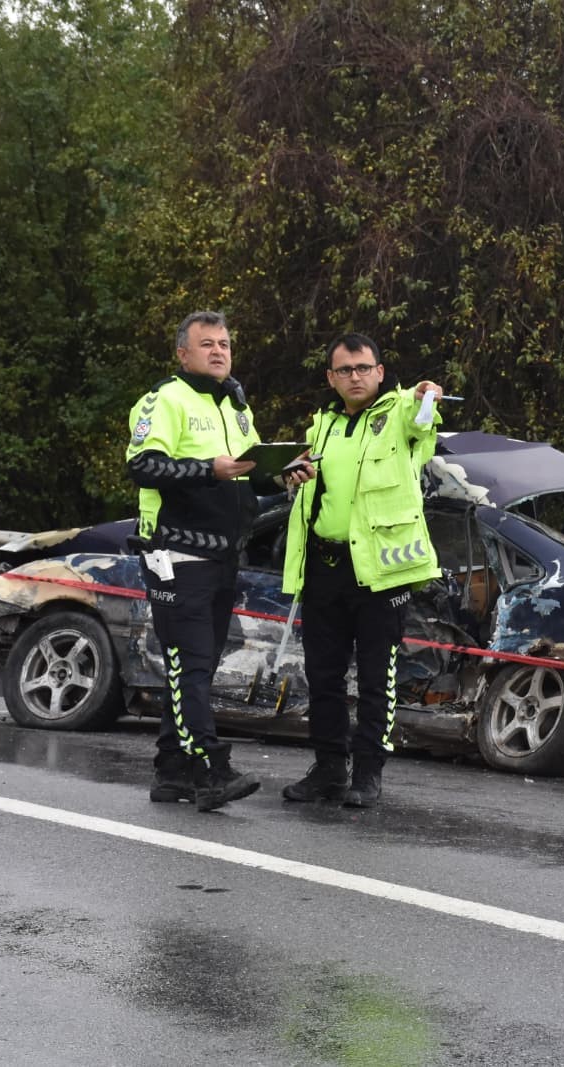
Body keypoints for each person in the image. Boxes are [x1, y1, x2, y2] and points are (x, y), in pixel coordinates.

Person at [126, 310, 313, 811]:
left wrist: (283, 475)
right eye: (206, 343)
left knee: (199, 667)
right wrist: (209, 469)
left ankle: (171, 772)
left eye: (224, 344)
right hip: (175, 551)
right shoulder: (165, 398)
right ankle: (211, 769)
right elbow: (143, 466)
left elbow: (245, 473)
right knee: (189, 663)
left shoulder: (235, 404)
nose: (218, 351)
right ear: (182, 353)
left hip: (224, 553)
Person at [279, 332, 444, 807]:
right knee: (322, 675)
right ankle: (329, 767)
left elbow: (421, 423)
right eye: (345, 370)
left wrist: (426, 398)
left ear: (379, 371)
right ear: (331, 378)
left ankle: (368, 772)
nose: (355, 377)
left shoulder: (399, 413)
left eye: (363, 368)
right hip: (324, 565)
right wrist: (293, 476)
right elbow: (312, 490)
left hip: (379, 571)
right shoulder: (323, 426)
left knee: (377, 677)